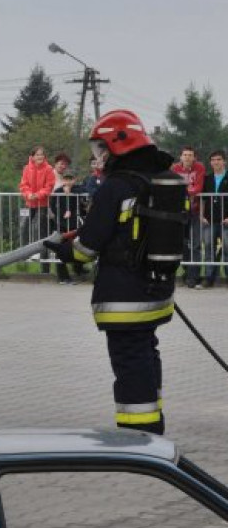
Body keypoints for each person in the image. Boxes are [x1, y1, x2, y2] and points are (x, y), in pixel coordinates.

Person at [45, 109, 184, 435]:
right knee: (146, 355)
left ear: (120, 145)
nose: (99, 158)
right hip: (156, 290)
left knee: (130, 362)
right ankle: (154, 425)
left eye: (102, 149)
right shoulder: (160, 180)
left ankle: (139, 438)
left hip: (123, 297)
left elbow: (85, 250)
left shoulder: (116, 187)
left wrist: (64, 250)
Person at [172, 146, 205, 288]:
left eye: (190, 155)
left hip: (196, 212)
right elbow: (173, 187)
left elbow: (198, 188)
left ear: (194, 157)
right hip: (180, 213)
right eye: (185, 155)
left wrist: (183, 191)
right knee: (182, 244)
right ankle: (187, 272)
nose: (187, 157)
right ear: (180, 157)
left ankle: (194, 276)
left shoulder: (199, 168)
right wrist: (187, 192)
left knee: (196, 245)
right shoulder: (175, 169)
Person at [19, 145, 56, 273]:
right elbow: (23, 185)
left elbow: (49, 186)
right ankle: (24, 256)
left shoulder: (49, 169)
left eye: (42, 154)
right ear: (32, 156)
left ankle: (45, 268)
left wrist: (37, 195)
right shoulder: (26, 168)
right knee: (23, 227)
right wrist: (29, 194)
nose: (40, 156)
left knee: (42, 234)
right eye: (37, 154)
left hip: (43, 204)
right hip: (29, 203)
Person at [49, 171, 87, 285]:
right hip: (62, 224)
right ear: (62, 180)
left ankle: (78, 269)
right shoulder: (58, 192)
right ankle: (63, 277)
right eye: (66, 179)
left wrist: (70, 193)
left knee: (79, 246)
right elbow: (53, 206)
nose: (68, 181)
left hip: (76, 224)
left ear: (74, 180)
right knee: (60, 248)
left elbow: (84, 194)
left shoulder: (78, 189)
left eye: (70, 179)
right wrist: (61, 214)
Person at [199, 149, 228, 288]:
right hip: (209, 220)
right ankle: (209, 278)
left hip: (226, 221)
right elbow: (203, 200)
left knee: (227, 247)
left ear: (224, 161)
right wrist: (201, 215)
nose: (216, 162)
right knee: (209, 248)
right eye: (213, 160)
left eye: (219, 159)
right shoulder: (207, 178)